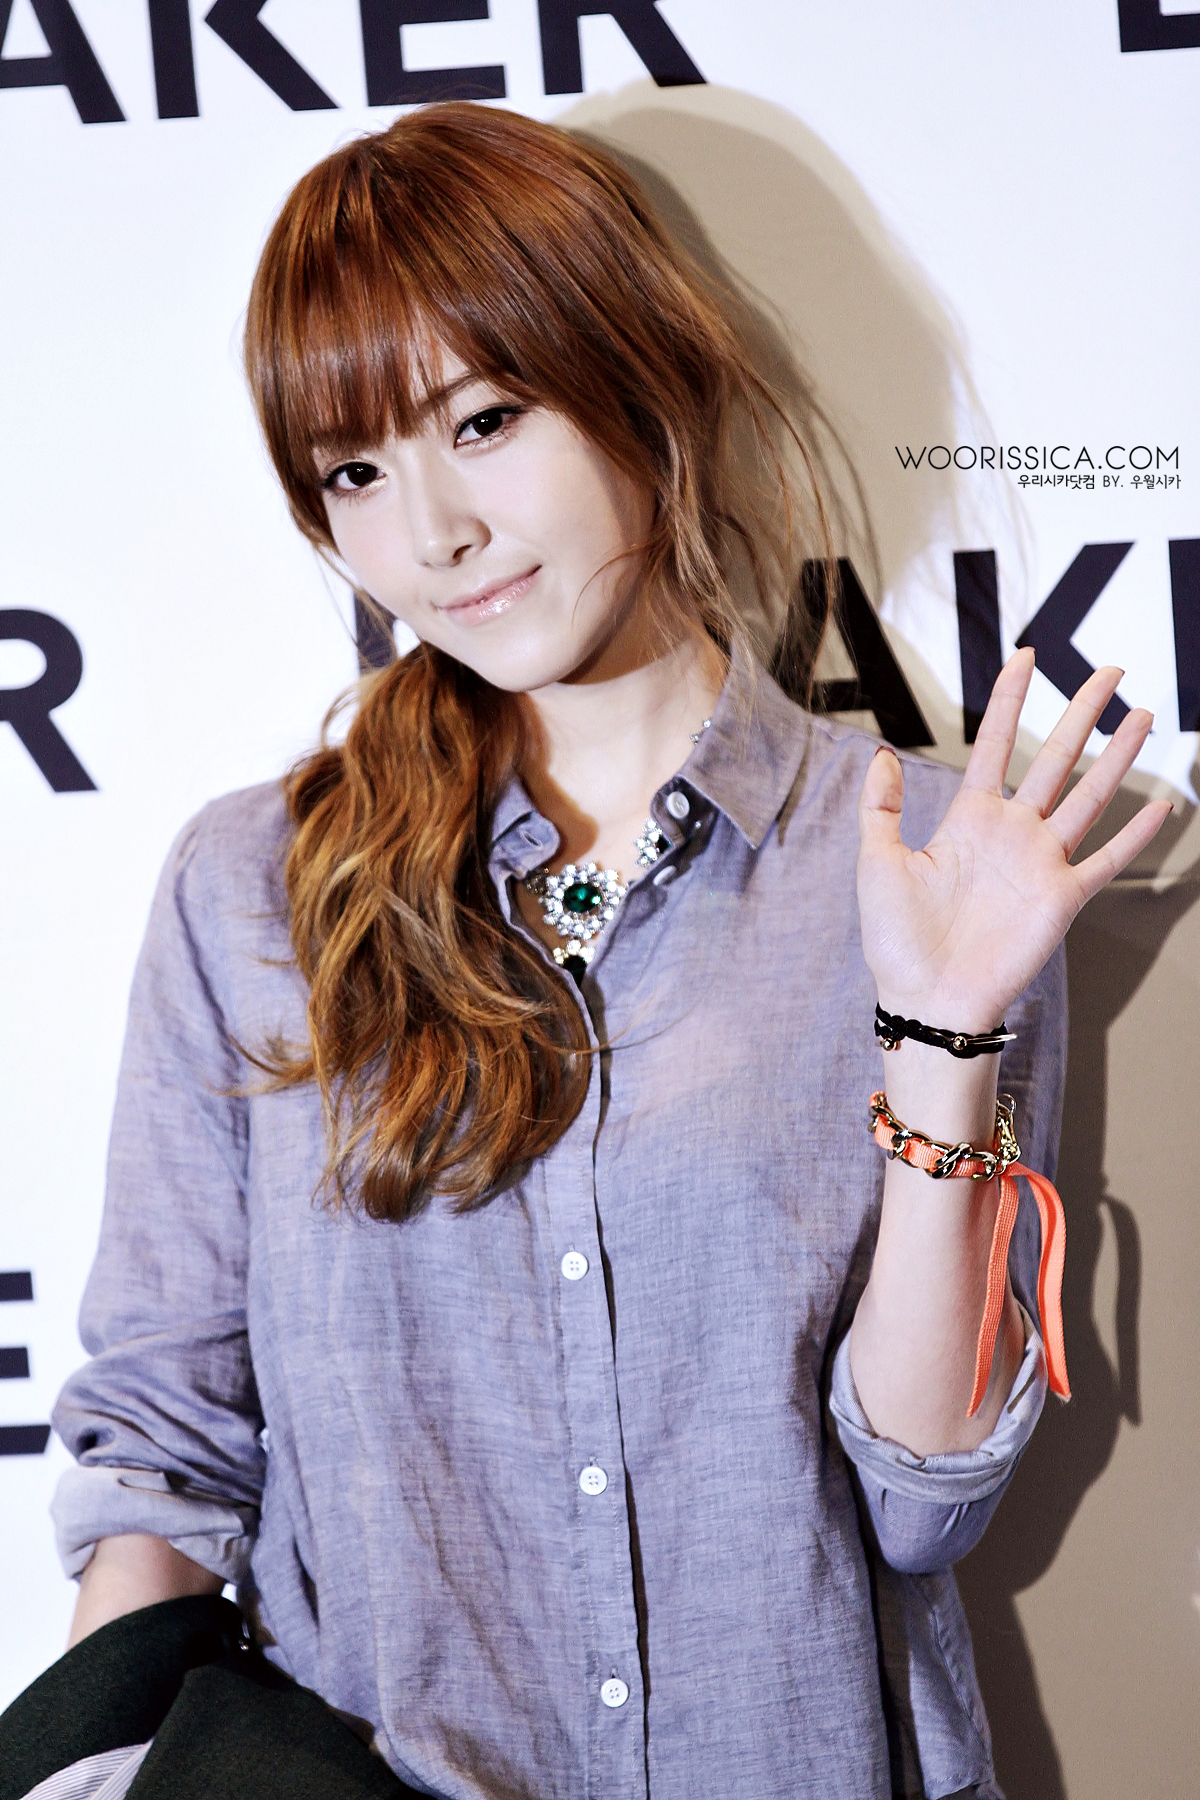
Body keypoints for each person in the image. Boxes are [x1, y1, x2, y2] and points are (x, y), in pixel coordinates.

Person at [18, 104, 1166, 1800]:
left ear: (639, 380)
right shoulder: (253, 891)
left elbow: (924, 1504)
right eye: (354, 472)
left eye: (484, 421)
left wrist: (940, 1032)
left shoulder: (930, 864)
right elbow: (165, 1460)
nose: (432, 532)